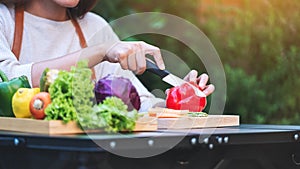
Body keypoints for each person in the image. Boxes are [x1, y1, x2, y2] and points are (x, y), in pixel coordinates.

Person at [0, 0, 215, 112]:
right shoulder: (4, 19)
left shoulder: (94, 26)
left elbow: (138, 103)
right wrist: (100, 52)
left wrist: (177, 103)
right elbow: (7, 78)